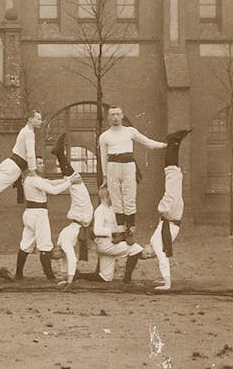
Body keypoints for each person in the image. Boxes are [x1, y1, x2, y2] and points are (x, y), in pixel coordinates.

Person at [99, 106, 166, 239]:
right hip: (113, 166)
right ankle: (120, 231)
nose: (115, 117)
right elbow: (103, 157)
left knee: (129, 198)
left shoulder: (130, 131)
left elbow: (147, 142)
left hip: (128, 166)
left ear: (122, 115)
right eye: (112, 115)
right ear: (108, 117)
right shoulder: (104, 136)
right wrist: (105, 177)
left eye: (117, 114)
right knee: (116, 199)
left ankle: (129, 231)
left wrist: (164, 145)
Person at [15, 156, 81, 281]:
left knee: (26, 244)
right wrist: (69, 182)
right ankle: (50, 277)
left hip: (29, 213)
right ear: (32, 166)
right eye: (39, 163)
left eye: (42, 162)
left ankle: (18, 274)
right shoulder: (35, 180)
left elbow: (50, 182)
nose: (42, 165)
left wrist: (64, 180)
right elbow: (54, 190)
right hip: (38, 214)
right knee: (44, 244)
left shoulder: (31, 179)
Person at [147, 129, 191, 290]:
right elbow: (163, 258)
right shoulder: (156, 244)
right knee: (172, 176)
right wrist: (167, 283)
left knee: (175, 176)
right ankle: (173, 141)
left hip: (173, 214)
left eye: (143, 253)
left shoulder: (154, 241)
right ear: (150, 254)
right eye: (146, 255)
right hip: (170, 212)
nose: (145, 252)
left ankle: (175, 143)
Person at [50, 134, 94, 289]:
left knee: (75, 181)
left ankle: (59, 153)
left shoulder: (62, 243)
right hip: (82, 215)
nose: (57, 250)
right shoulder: (65, 248)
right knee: (75, 181)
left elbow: (67, 261)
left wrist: (65, 279)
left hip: (79, 214)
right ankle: (59, 153)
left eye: (54, 250)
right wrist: (67, 280)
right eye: (56, 253)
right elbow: (70, 260)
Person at [77, 186, 143, 284]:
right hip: (105, 244)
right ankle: (127, 279)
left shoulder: (111, 209)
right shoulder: (100, 210)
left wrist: (126, 228)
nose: (116, 198)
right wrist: (115, 229)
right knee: (136, 249)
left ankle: (78, 275)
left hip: (109, 243)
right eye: (113, 196)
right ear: (105, 197)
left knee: (105, 277)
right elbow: (97, 230)